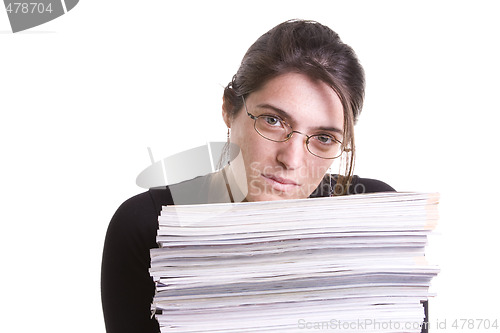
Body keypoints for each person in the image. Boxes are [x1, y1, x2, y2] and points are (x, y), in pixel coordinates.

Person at [101, 19, 397, 333]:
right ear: (230, 108)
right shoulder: (148, 226)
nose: (291, 160)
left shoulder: (375, 217)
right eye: (273, 120)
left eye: (323, 138)